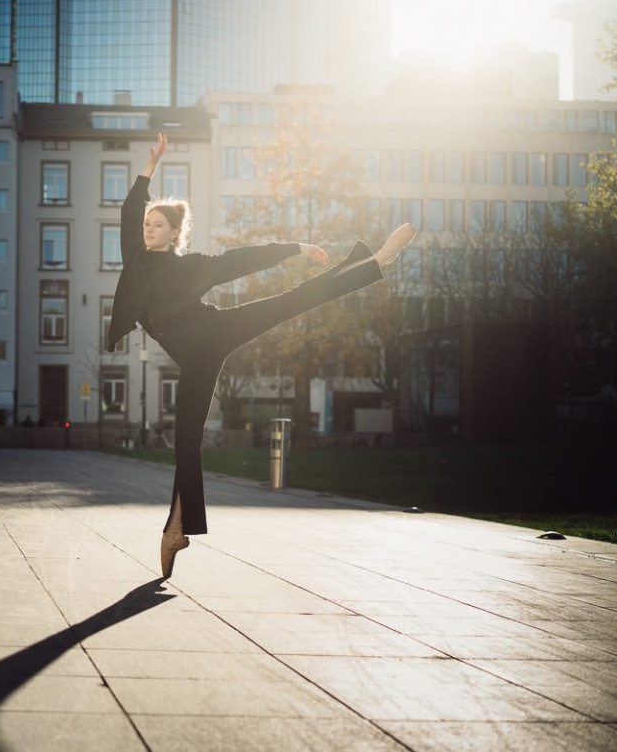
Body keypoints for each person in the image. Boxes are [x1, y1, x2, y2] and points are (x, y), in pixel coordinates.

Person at [107, 133, 415, 578]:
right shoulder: (134, 260)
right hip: (195, 359)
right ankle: (177, 529)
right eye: (146, 224)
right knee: (186, 442)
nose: (147, 229)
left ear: (175, 233)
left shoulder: (191, 267)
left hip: (216, 330)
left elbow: (239, 260)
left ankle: (376, 262)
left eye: (157, 225)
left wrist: (295, 248)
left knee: (292, 300)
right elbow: (128, 210)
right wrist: (149, 166)